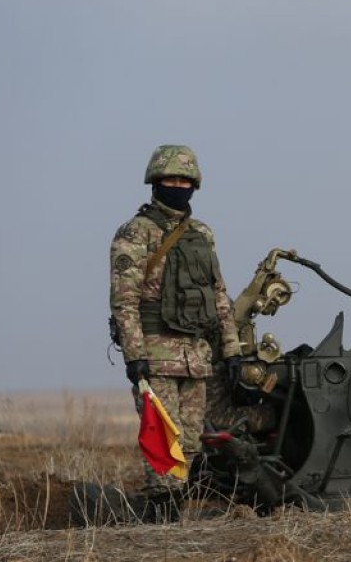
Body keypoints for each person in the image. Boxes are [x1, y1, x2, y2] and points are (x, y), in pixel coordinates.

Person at [109, 144, 242, 497]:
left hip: (196, 357)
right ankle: (162, 519)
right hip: (155, 356)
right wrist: (135, 356)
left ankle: (175, 514)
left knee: (192, 442)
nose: (178, 186)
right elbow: (125, 300)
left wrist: (232, 350)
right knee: (164, 444)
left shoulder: (202, 234)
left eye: (185, 181)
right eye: (170, 179)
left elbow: (219, 297)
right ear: (155, 182)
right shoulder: (135, 233)